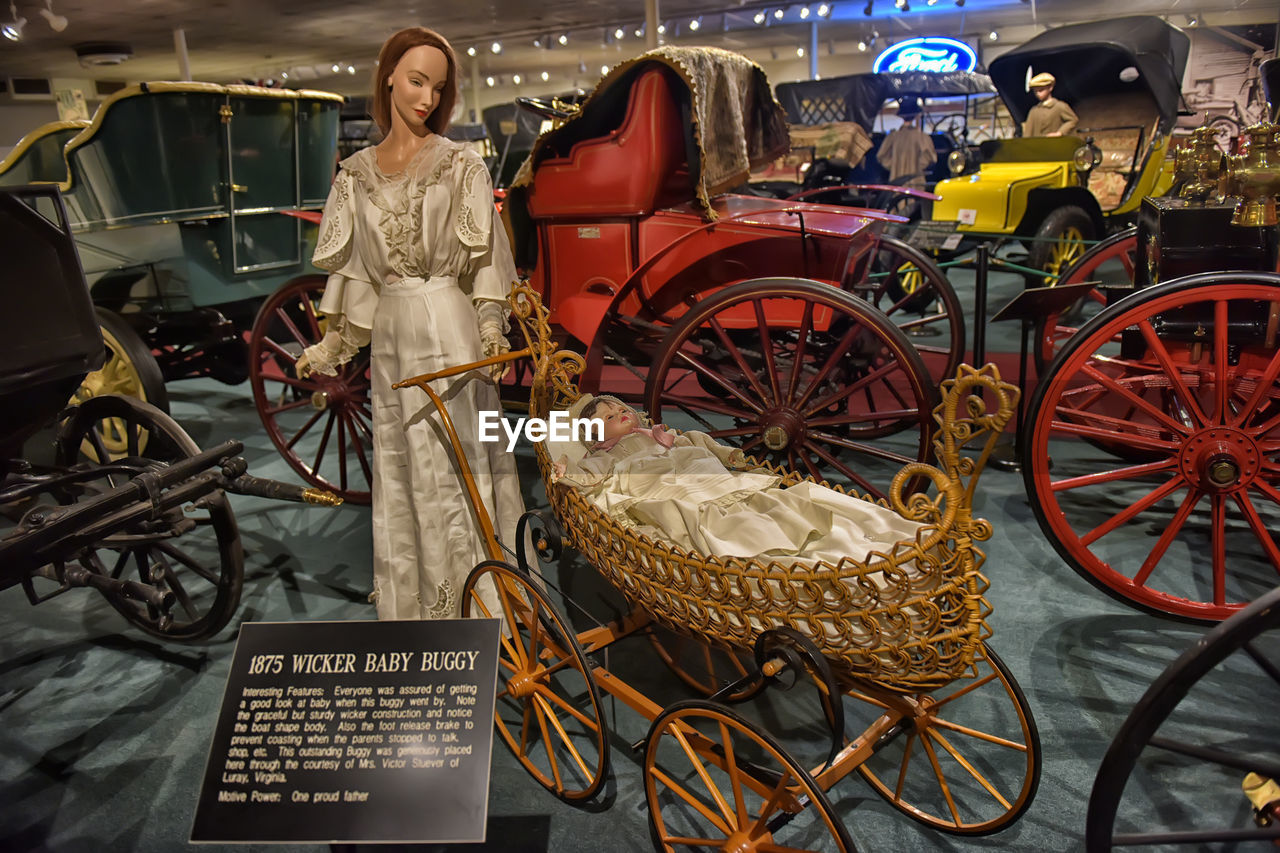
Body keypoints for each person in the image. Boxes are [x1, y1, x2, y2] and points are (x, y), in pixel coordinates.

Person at [297, 27, 524, 620]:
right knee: (402, 466)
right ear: (390, 74)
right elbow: (358, 279)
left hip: (449, 325)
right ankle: (422, 609)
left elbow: (486, 261)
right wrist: (334, 343)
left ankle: (481, 608)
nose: (426, 97)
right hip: (393, 338)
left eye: (438, 87)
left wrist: (492, 325)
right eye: (417, 80)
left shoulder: (460, 164)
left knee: (458, 462)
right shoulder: (354, 175)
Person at [550, 396, 925, 564]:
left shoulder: (666, 435)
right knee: (707, 516)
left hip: (706, 474)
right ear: (596, 437)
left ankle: (807, 534)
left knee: (758, 498)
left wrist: (727, 456)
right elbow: (594, 474)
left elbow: (701, 442)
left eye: (621, 408)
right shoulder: (610, 454)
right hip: (666, 486)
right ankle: (764, 551)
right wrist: (570, 474)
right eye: (610, 416)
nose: (620, 413)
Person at [876, 96, 936, 189]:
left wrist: (895, 166)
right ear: (916, 114)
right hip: (916, 182)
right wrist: (918, 167)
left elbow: (882, 156)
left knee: (897, 201)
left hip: (897, 181)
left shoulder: (893, 136)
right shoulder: (922, 137)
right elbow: (929, 157)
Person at [1022, 71, 1078, 137]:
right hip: (1037, 145)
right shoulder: (1034, 111)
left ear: (1050, 88)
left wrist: (1060, 132)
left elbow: (1073, 120)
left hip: (1055, 144)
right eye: (1035, 91)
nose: (1038, 94)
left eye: (1041, 90)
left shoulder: (1059, 106)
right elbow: (1027, 134)